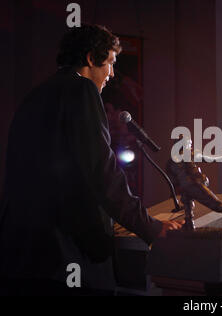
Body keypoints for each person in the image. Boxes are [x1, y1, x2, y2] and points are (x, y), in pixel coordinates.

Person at [0, 25, 182, 295]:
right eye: (109, 62)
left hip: (20, 259)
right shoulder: (81, 90)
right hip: (67, 261)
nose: (111, 73)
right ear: (90, 58)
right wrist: (151, 227)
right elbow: (103, 173)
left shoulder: (34, 96)